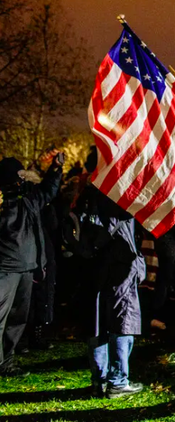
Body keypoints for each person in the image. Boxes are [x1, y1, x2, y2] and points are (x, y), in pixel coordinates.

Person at [72, 168, 146, 399]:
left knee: (97, 325)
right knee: (122, 324)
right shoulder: (118, 200)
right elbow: (124, 237)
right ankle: (117, 381)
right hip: (118, 270)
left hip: (93, 271)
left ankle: (99, 381)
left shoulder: (87, 198)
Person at [0, 152, 63, 376]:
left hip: (26, 267)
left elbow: (48, 191)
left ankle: (6, 361)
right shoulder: (5, 203)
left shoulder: (27, 200)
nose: (22, 180)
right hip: (5, 269)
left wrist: (55, 171)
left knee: (18, 318)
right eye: (18, 176)